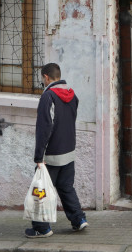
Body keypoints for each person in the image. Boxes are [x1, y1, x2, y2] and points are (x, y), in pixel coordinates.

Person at [25, 62, 88, 238]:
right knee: (66, 187)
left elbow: (44, 128)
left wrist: (38, 156)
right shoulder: (72, 94)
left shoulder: (48, 97)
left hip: (51, 155)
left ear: (46, 77)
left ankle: (41, 228)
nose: (42, 82)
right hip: (69, 151)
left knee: (41, 190)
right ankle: (79, 219)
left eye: (42, 79)